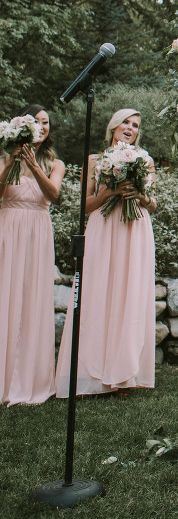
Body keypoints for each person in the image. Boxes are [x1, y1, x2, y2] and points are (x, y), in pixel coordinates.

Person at [55, 109, 156, 399]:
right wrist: (110, 193)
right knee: (97, 291)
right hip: (103, 227)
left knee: (129, 295)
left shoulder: (145, 160)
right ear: (113, 126)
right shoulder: (94, 161)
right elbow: (85, 205)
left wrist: (138, 195)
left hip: (134, 228)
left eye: (135, 125)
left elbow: (153, 204)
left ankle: (124, 375)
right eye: (126, 122)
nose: (130, 128)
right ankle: (89, 375)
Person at [0, 105, 65, 405]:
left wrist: (34, 166)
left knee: (31, 298)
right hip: (7, 229)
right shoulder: (4, 158)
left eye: (45, 122)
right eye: (35, 121)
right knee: (5, 294)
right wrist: (13, 162)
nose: (41, 126)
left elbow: (53, 194)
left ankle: (29, 378)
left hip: (38, 233)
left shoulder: (55, 163)